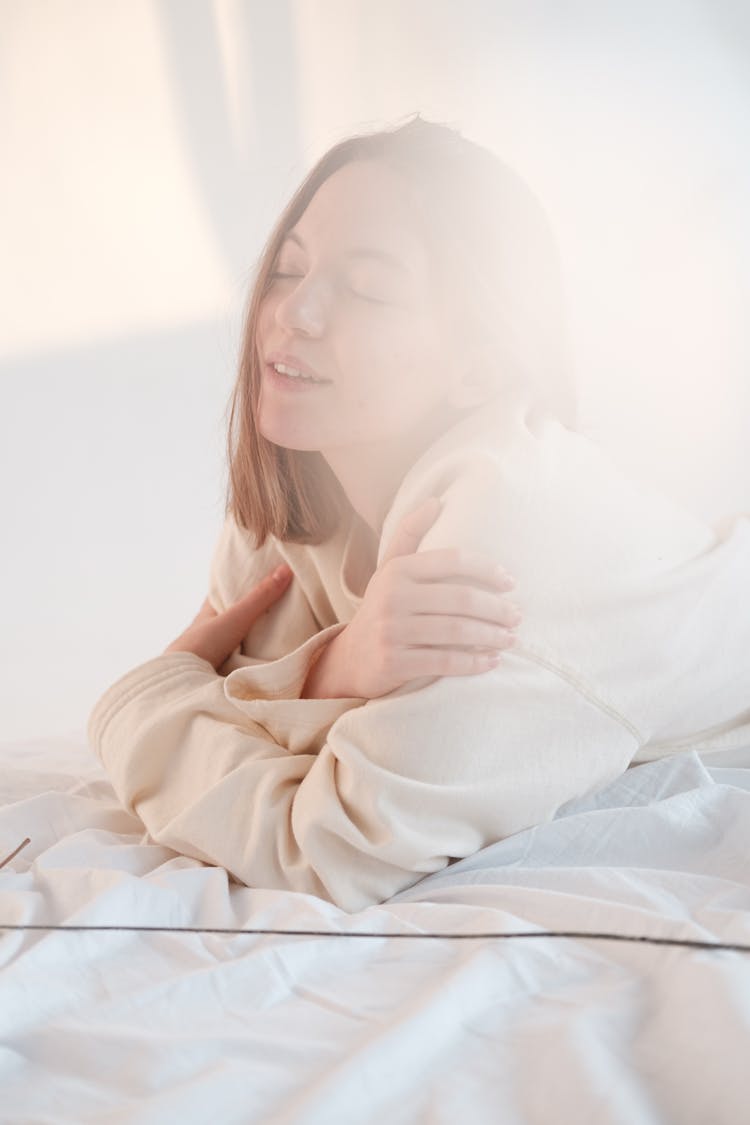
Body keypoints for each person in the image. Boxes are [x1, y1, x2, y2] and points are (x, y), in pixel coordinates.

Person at [88, 115, 750, 913]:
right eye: (288, 268)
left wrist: (142, 707)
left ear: (481, 366)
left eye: (367, 287)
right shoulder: (299, 490)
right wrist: (336, 669)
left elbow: (327, 845)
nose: (293, 313)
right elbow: (217, 703)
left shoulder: (507, 535)